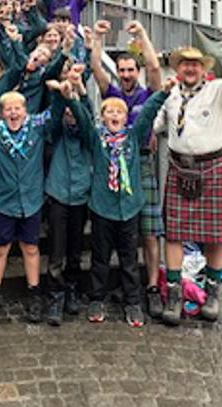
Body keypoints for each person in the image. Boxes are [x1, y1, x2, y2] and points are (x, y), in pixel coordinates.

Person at [155, 16, 222, 326]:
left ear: (204, 69)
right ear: (177, 69)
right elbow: (157, 124)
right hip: (178, 168)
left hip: (211, 168)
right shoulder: (171, 96)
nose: (190, 68)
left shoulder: (220, 91)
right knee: (174, 234)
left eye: (195, 64)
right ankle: (174, 295)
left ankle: (212, 293)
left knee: (216, 235)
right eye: (184, 64)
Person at [63, 77, 168, 328]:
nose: (114, 115)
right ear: (103, 117)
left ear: (125, 117)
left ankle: (133, 302)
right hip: (102, 207)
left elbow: (148, 113)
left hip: (129, 208)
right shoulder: (96, 138)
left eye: (119, 112)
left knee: (129, 259)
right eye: (109, 111)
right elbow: (83, 119)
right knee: (100, 258)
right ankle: (96, 298)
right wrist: (71, 98)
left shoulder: (133, 137)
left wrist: (163, 92)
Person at [0, 88, 66, 325]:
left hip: (31, 201)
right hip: (3, 201)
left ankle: (34, 294)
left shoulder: (36, 128)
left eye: (18, 108)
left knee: (30, 248)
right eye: (8, 109)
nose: (14, 113)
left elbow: (55, 114)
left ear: (25, 111)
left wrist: (60, 93)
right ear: (2, 113)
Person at [89, 19, 165, 321]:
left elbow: (155, 68)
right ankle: (102, 295)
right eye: (121, 70)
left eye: (131, 69)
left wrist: (142, 34)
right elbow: (96, 67)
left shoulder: (147, 93)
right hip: (111, 163)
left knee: (149, 231)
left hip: (141, 161)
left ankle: (151, 288)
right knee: (110, 239)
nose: (126, 74)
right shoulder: (112, 95)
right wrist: (97, 37)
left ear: (137, 71)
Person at [43, 66, 91, 324]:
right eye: (68, 113)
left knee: (75, 250)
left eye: (74, 112)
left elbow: (86, 118)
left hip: (81, 195)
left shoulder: (86, 136)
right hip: (58, 194)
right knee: (56, 250)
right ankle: (55, 295)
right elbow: (53, 118)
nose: (71, 116)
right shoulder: (57, 133)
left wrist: (75, 98)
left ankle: (72, 288)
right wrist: (61, 98)